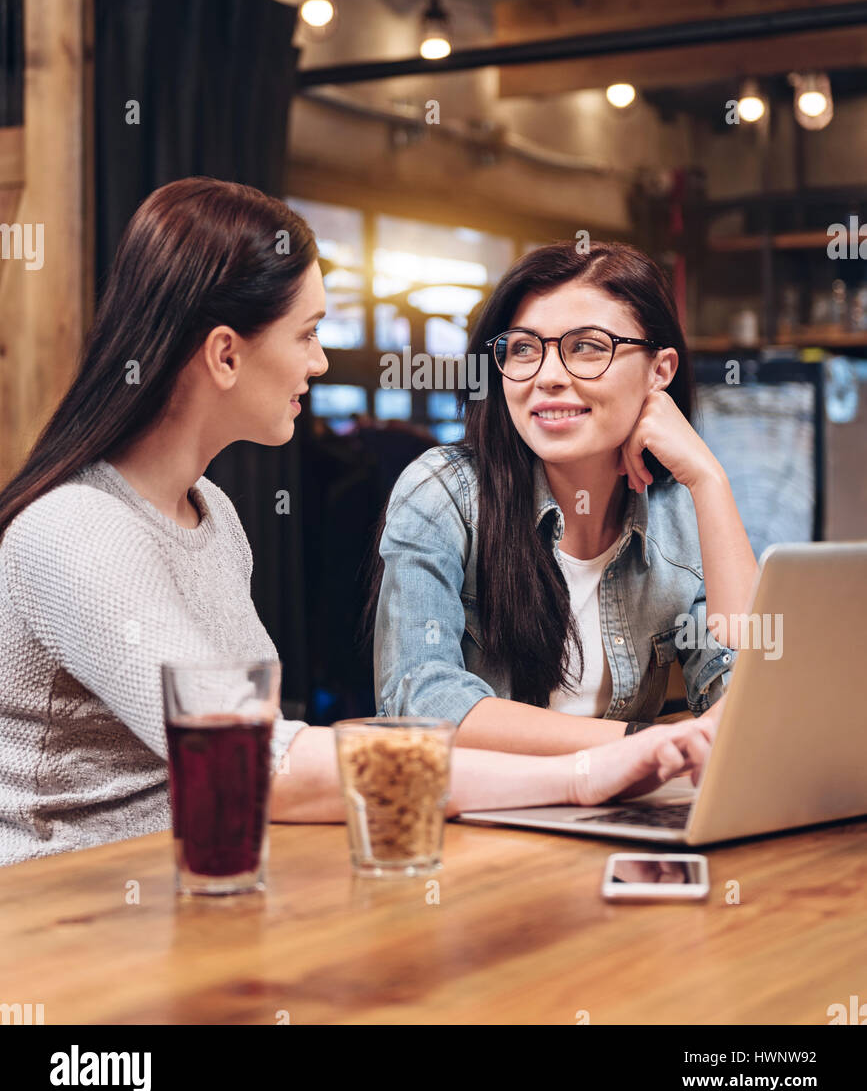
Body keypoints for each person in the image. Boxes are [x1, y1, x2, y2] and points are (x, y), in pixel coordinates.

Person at [0, 184, 719, 865]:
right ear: (226, 354)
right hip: (73, 914)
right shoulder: (77, 531)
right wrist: (583, 771)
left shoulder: (210, 513)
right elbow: (259, 765)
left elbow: (270, 753)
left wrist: (708, 482)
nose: (318, 361)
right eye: (308, 333)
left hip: (206, 882)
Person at [369, 239, 757, 754]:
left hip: (619, 817)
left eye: (588, 347)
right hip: (484, 825)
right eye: (525, 348)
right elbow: (418, 700)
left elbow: (752, 698)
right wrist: (637, 745)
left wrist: (710, 481)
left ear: (660, 370)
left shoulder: (679, 513)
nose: (548, 376)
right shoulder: (443, 494)